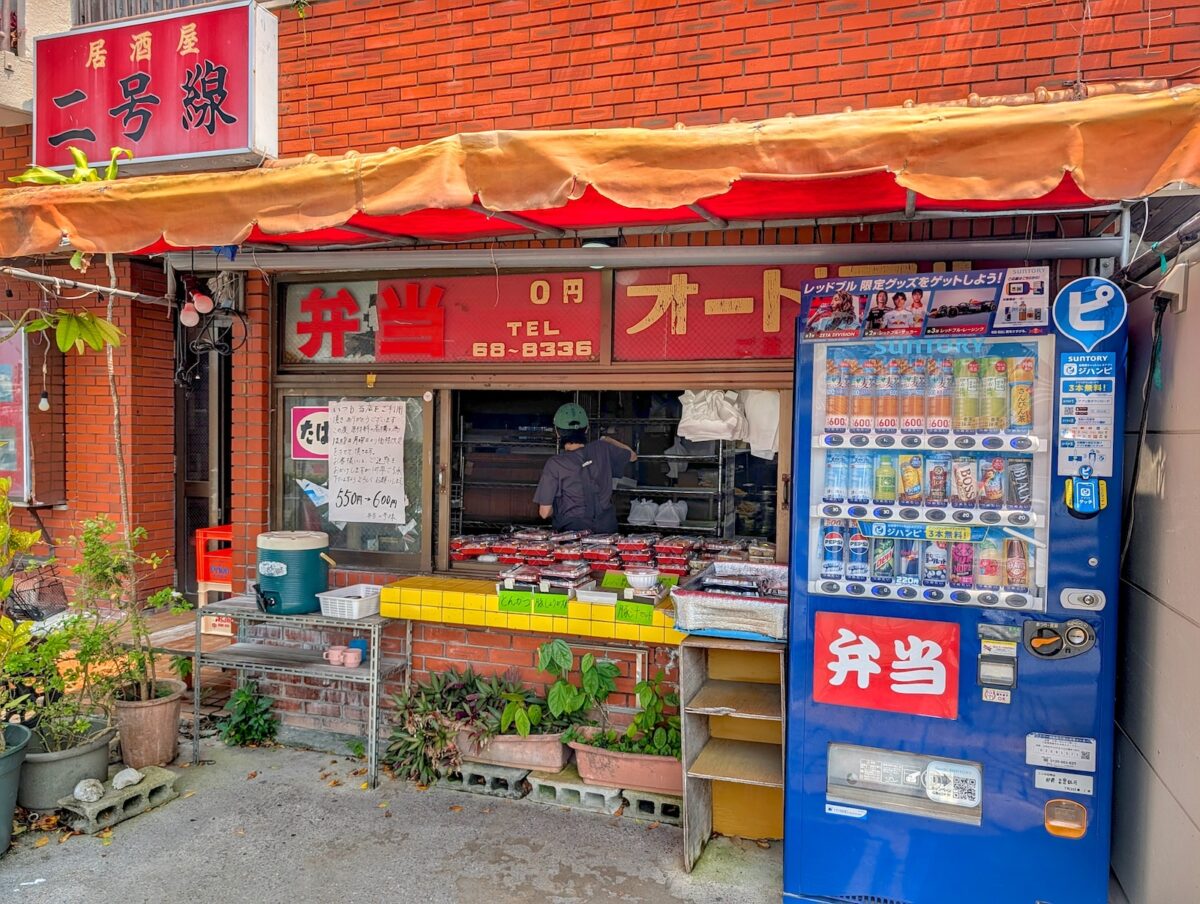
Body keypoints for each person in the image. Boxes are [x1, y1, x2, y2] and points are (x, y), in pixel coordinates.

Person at [533, 403, 638, 533]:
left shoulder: (554, 464)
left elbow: (544, 512)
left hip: (572, 535)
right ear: (587, 429)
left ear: (557, 432)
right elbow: (633, 456)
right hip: (606, 531)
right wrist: (607, 440)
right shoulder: (602, 448)